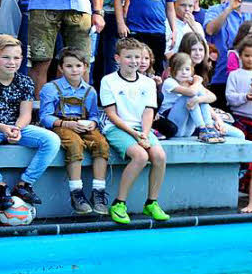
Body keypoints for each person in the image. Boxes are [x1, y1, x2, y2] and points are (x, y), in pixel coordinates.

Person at [99, 37, 169, 224]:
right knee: (140, 156)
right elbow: (111, 114)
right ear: (117, 58)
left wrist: (144, 134)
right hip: (117, 127)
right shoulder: (108, 81)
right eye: (129, 57)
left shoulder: (148, 83)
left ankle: (151, 203)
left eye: (137, 57)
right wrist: (135, 134)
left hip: (142, 129)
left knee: (160, 156)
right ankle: (119, 203)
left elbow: (148, 111)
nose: (134, 61)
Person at [38, 47, 110, 213]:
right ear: (61, 68)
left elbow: (94, 115)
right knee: (74, 143)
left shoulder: (90, 91)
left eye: (78, 66)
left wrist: (93, 123)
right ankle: (76, 192)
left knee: (101, 144)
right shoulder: (51, 88)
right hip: (61, 125)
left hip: (83, 125)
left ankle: (98, 192)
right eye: (69, 66)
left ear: (85, 67)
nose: (74, 70)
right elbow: (45, 117)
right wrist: (66, 124)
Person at [0, 37, 60, 209]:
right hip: (1, 127)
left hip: (16, 126)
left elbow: (26, 114)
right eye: (6, 57)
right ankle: (0, 187)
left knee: (51, 140)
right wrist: (4, 128)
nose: (12, 62)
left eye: (16, 58)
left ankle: (24, 184)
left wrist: (17, 128)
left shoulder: (25, 82)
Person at [159, 52, 228, 143]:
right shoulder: (169, 82)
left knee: (199, 96)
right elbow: (191, 92)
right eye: (179, 69)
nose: (184, 72)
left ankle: (209, 127)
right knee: (188, 96)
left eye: (187, 69)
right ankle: (203, 129)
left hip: (187, 130)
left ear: (192, 71)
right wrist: (198, 82)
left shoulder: (193, 83)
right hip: (173, 124)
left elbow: (212, 97)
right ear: (172, 70)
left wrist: (199, 99)